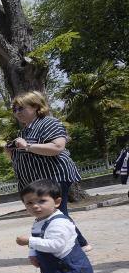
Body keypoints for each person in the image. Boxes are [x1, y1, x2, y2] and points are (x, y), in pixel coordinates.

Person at [6, 90, 90, 250]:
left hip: (55, 175)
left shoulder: (49, 123)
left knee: (54, 212)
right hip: (40, 180)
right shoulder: (25, 131)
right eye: (14, 110)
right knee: (55, 213)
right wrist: (11, 151)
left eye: (21, 108)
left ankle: (73, 247)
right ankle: (80, 244)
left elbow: (57, 147)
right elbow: (23, 157)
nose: (17, 112)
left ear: (36, 107)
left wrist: (27, 146)